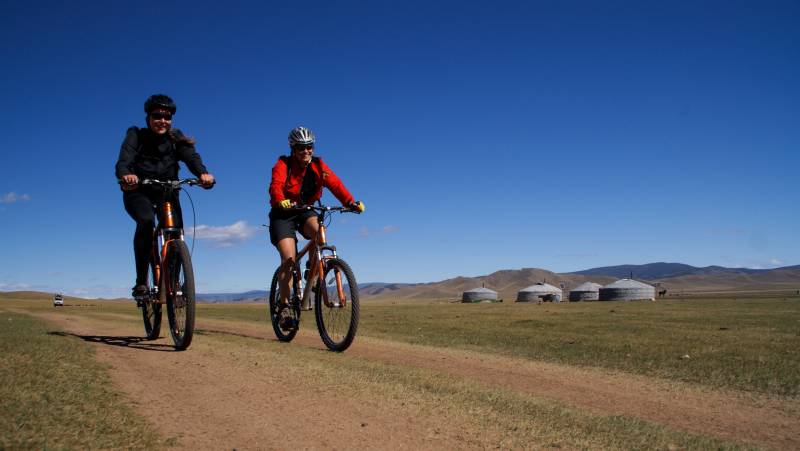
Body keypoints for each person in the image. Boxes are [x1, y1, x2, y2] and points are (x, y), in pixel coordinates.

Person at [115, 94, 215, 297]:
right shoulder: (137, 135)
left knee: (175, 231)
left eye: (167, 117)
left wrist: (202, 174)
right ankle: (142, 281)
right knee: (145, 221)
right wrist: (127, 174)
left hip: (167, 192)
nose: (162, 121)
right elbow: (124, 159)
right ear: (148, 117)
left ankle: (174, 283)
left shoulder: (175, 137)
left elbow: (191, 158)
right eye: (157, 116)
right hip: (138, 191)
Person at [268, 126, 364, 307]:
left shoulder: (319, 166)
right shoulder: (283, 164)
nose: (306, 150)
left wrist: (350, 202)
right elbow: (276, 185)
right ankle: (284, 304)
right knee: (289, 259)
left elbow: (335, 184)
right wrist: (280, 200)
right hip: (283, 213)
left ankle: (311, 273)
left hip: (305, 209)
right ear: (293, 149)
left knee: (320, 233)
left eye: (309, 146)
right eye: (300, 147)